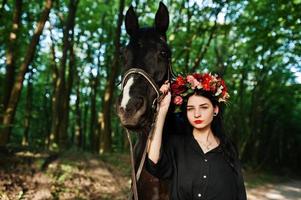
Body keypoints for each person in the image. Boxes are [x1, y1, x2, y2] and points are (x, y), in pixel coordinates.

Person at [146, 73, 247, 200]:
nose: (197, 114)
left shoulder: (228, 148)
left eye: (204, 107)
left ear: (215, 109)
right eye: (190, 109)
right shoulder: (176, 144)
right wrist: (162, 110)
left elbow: (239, 191)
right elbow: (153, 163)